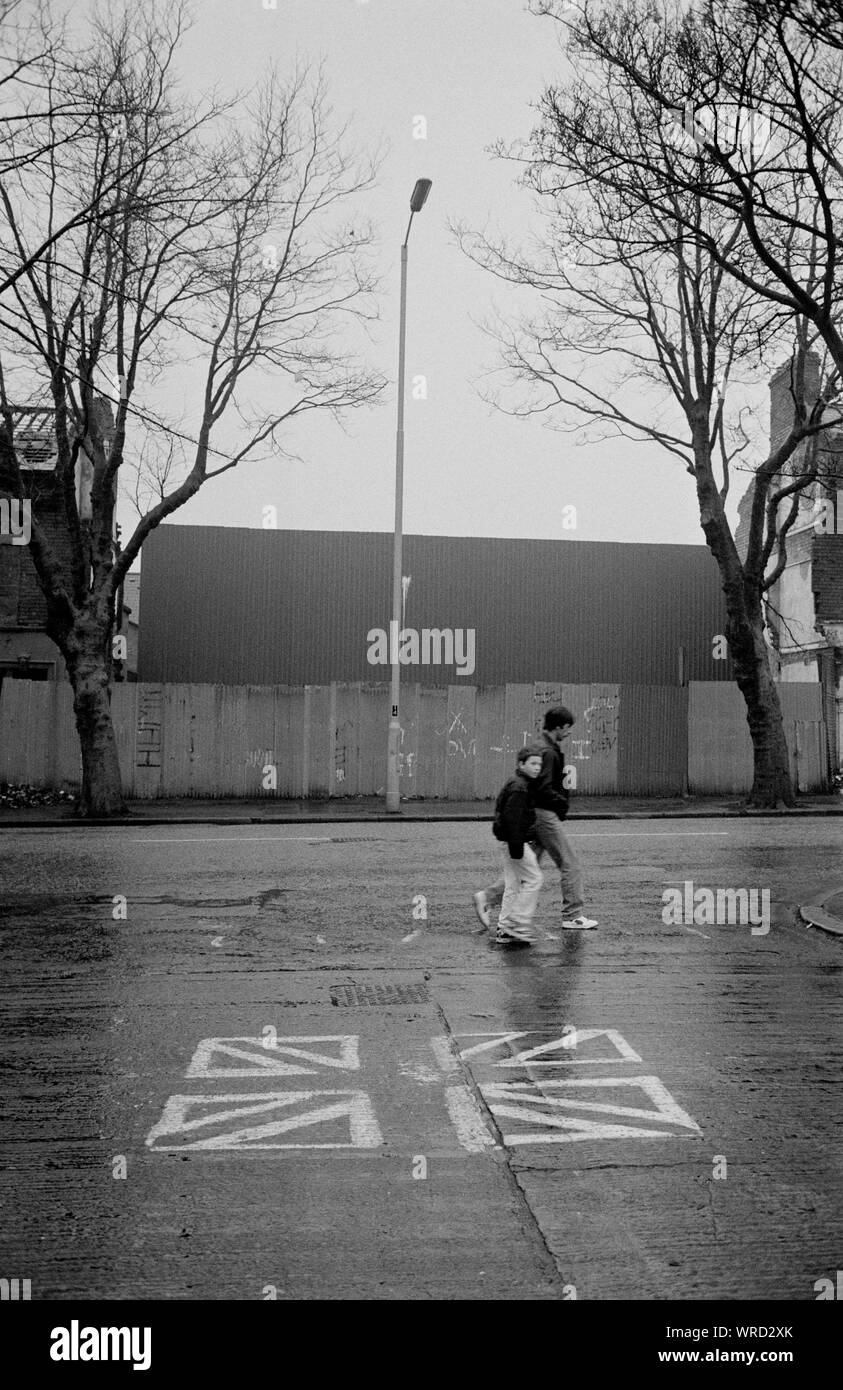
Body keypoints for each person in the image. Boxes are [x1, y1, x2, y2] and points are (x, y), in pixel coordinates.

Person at [474, 704, 599, 932]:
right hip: (544, 815)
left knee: (526, 870)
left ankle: (488, 896)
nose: (569, 732)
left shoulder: (539, 746)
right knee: (570, 863)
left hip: (535, 814)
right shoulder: (549, 752)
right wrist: (562, 802)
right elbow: (543, 789)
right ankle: (573, 915)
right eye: (568, 727)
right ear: (559, 727)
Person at [487, 744, 545, 944]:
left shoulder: (520, 783)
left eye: (539, 764)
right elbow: (513, 820)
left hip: (509, 841)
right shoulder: (520, 787)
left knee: (513, 885)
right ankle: (518, 922)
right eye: (533, 763)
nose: (537, 767)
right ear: (522, 764)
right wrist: (517, 848)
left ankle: (505, 929)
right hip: (515, 841)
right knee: (534, 879)